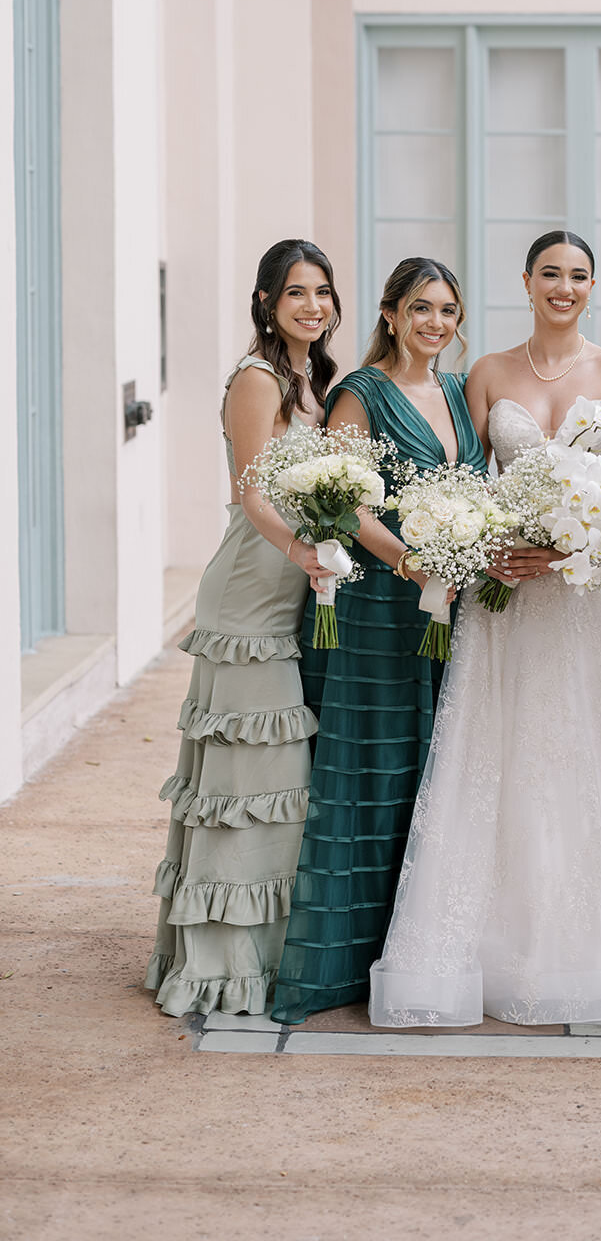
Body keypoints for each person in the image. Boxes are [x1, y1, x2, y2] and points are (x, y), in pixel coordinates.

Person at [369, 231, 601, 1028]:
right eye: (550, 274)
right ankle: (488, 948)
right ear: (526, 281)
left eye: (579, 276)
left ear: (593, 286)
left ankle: (599, 947)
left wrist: (583, 539)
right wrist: (493, 544)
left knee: (596, 749)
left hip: (591, 595)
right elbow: (461, 480)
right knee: (504, 750)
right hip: (512, 592)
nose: (564, 288)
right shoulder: (488, 373)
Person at [271, 258, 485, 1024]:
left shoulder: (462, 393)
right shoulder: (359, 394)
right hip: (372, 608)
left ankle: (417, 951)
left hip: (444, 605)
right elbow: (344, 502)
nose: (436, 323)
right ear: (391, 315)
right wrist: (407, 556)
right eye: (421, 308)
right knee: (369, 771)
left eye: (448, 311)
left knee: (433, 770)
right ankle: (344, 965)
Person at [146, 239, 340, 1017]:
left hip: (294, 594)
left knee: (274, 788)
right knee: (246, 786)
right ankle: (221, 967)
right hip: (249, 599)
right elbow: (251, 492)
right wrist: (301, 547)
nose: (313, 306)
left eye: (322, 292)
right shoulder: (257, 379)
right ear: (266, 302)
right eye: (296, 293)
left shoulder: (314, 381)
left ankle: (261, 950)